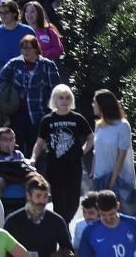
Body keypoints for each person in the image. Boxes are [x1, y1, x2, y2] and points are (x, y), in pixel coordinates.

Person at [30, 84, 93, 223]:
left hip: (74, 165)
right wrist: (33, 158)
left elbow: (91, 138)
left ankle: (65, 224)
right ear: (55, 100)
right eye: (61, 98)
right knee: (58, 199)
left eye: (67, 98)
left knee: (73, 200)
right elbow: (39, 143)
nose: (64, 101)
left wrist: (82, 151)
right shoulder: (47, 120)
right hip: (54, 165)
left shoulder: (78, 118)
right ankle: (63, 229)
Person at [0, 34, 59, 155]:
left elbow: (55, 90)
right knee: (17, 144)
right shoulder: (14, 63)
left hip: (39, 112)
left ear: (36, 48)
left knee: (36, 145)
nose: (25, 51)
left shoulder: (48, 65)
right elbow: (1, 80)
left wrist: (49, 109)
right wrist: (10, 96)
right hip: (17, 111)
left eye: (29, 48)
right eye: (23, 48)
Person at [90, 90, 136, 213]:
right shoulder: (99, 125)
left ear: (102, 106)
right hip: (99, 179)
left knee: (124, 218)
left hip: (119, 181)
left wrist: (112, 181)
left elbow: (121, 156)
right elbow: (96, 152)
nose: (92, 105)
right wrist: (92, 173)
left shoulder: (123, 126)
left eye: (94, 102)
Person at [3, 176, 72, 257]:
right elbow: (4, 250)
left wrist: (61, 254)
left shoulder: (57, 221)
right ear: (28, 196)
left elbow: (68, 249)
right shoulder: (13, 221)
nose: (42, 201)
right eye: (38, 196)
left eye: (45, 196)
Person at [77, 190, 136, 257]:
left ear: (118, 205)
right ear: (98, 208)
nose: (108, 219)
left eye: (112, 214)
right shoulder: (89, 231)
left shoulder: (134, 224)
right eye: (103, 215)